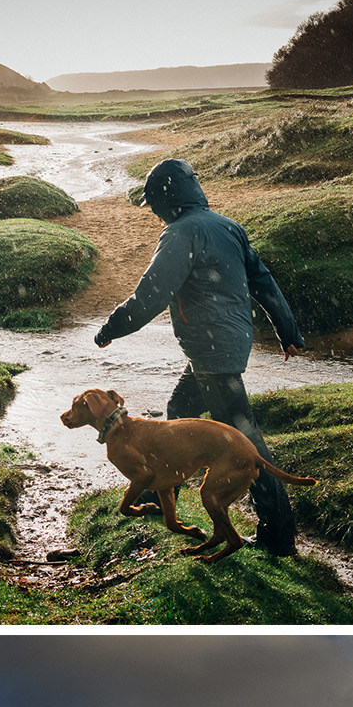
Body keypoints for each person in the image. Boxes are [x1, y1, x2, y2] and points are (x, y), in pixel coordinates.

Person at [94, 158, 306, 556]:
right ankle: (161, 496)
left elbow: (151, 294)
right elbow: (264, 281)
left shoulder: (180, 234)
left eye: (154, 206)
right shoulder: (227, 226)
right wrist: (289, 331)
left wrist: (111, 329)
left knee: (247, 444)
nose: (155, 214)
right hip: (225, 341)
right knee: (180, 408)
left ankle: (278, 536)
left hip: (212, 349)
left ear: (165, 201)